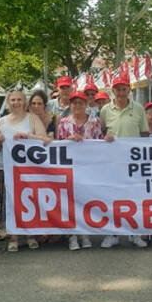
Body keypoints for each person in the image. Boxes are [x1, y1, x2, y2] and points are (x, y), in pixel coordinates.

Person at [0, 90, 50, 252]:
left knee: (28, 200)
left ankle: (30, 234)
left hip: (28, 169)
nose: (16, 102)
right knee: (9, 202)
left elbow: (45, 140)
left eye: (19, 99)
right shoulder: (1, 121)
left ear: (25, 102)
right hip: (5, 167)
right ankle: (13, 235)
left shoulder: (32, 118)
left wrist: (27, 136)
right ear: (8, 102)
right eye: (12, 100)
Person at [100, 77, 149, 248]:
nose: (121, 93)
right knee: (112, 198)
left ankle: (133, 233)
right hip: (111, 163)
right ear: (113, 91)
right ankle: (111, 234)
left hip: (132, 162)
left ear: (129, 90)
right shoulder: (105, 110)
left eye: (124, 89)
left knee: (133, 198)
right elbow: (101, 133)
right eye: (117, 89)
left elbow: (144, 134)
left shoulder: (138, 109)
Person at [57, 91, 103, 250]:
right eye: (75, 103)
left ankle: (85, 233)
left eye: (81, 103)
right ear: (70, 105)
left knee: (85, 200)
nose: (78, 106)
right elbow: (58, 144)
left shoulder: (94, 121)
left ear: (86, 104)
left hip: (88, 167)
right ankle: (72, 235)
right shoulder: (64, 122)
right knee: (71, 201)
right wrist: (68, 140)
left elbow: (100, 142)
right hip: (70, 167)